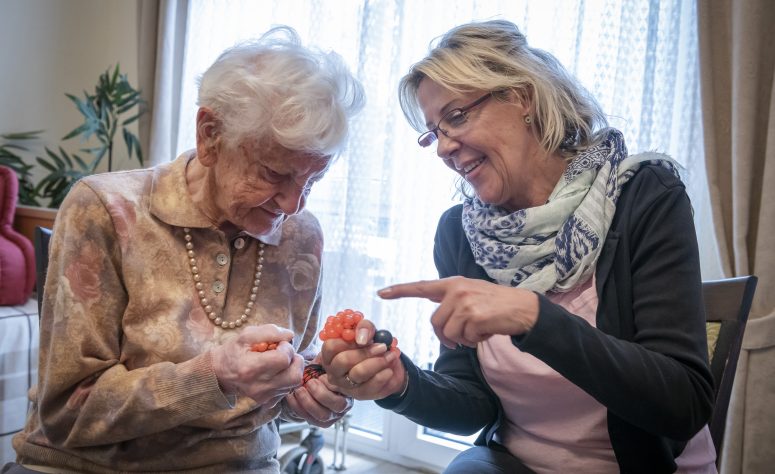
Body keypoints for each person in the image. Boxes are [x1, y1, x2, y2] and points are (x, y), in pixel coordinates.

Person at [319, 20, 716, 474]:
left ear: (521, 97)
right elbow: (474, 406)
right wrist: (400, 384)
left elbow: (683, 402)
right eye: (433, 132)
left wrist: (534, 316)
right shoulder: (460, 233)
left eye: (457, 116)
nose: (444, 148)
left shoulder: (643, 196)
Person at [6, 26, 364, 474]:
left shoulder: (301, 235)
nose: (295, 204)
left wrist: (312, 392)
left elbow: (282, 386)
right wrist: (214, 376)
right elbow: (66, 414)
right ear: (210, 134)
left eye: (313, 180)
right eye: (275, 173)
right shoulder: (104, 209)